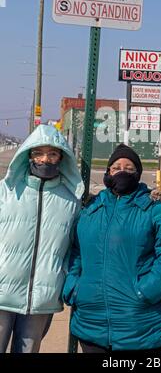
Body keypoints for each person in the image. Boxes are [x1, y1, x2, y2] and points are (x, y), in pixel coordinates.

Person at [63, 143, 161, 354]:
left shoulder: (155, 210)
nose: (122, 172)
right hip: (93, 324)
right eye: (116, 167)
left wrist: (146, 290)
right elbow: (76, 252)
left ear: (138, 174)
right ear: (108, 172)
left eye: (129, 168)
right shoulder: (90, 209)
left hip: (144, 325)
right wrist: (75, 288)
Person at [0, 125, 84, 353]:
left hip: (42, 297)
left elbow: (73, 249)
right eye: (38, 153)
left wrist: (61, 275)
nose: (45, 159)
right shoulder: (6, 192)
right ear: (28, 155)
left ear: (61, 158)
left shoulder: (70, 201)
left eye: (52, 153)